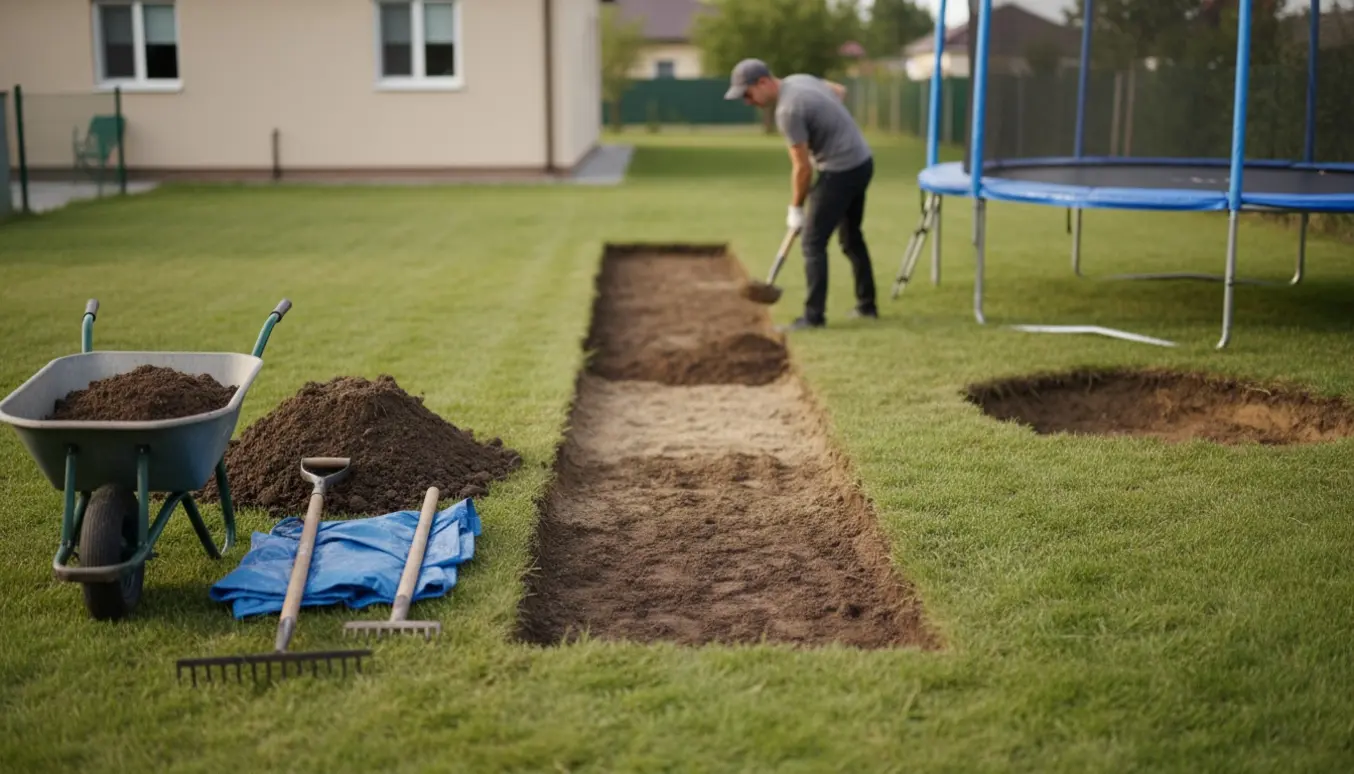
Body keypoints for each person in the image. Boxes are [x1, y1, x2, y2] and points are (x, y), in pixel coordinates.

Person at [724, 58, 878, 331]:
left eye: (748, 94)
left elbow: (802, 167)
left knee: (812, 243)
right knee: (851, 237)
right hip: (862, 161)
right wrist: (831, 129)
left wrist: (795, 209)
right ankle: (867, 306)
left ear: (763, 83)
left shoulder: (788, 110)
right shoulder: (800, 79)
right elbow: (839, 91)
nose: (748, 102)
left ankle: (813, 317)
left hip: (840, 170)